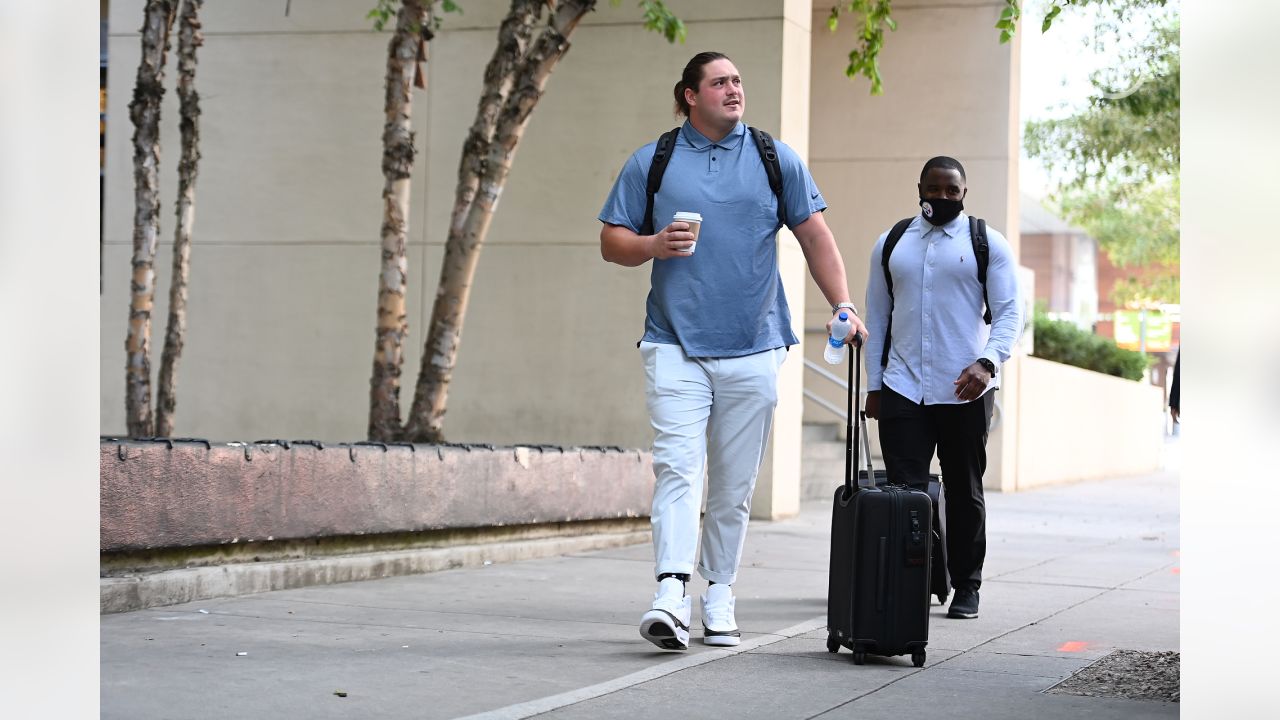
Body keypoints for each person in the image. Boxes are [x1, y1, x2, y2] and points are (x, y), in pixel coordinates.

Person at [599, 51, 867, 651]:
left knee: (733, 486)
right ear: (690, 95)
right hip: (674, 341)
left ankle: (719, 593)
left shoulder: (775, 159)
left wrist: (844, 305)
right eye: (719, 82)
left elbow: (815, 234)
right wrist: (652, 244)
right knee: (677, 469)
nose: (734, 89)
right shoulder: (655, 160)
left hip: (754, 346)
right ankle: (669, 594)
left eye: (738, 81)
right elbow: (612, 243)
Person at [863, 156, 1023, 620]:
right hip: (902, 386)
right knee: (904, 494)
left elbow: (1010, 313)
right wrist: (875, 385)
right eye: (935, 189)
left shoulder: (986, 243)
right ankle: (918, 579)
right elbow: (878, 315)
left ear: (964, 192)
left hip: (964, 389)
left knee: (964, 489)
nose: (943, 198)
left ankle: (967, 584)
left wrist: (988, 363)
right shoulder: (892, 243)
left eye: (952, 191)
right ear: (920, 189)